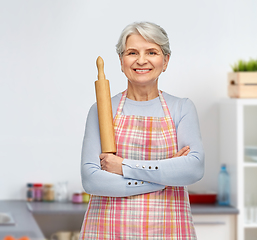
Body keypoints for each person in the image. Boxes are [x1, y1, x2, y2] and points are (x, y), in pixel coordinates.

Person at [79, 21, 204, 240]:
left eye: (152, 52)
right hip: (108, 230)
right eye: (132, 52)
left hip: (168, 230)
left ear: (165, 61)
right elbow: (92, 181)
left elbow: (193, 169)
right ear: (121, 61)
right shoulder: (101, 110)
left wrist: (123, 166)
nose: (141, 60)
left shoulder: (182, 108)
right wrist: (164, 178)